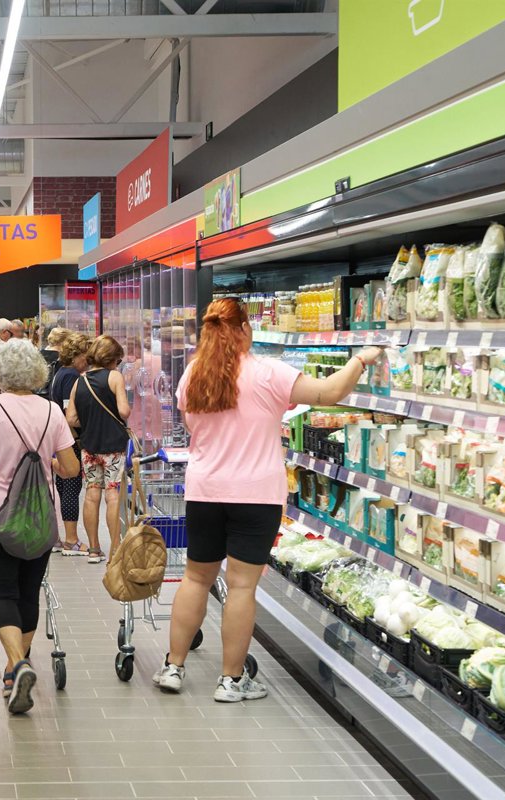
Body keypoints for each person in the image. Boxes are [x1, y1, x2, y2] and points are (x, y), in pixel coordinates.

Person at [154, 297, 382, 703]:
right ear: (244, 329)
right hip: (255, 495)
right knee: (242, 587)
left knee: (196, 578)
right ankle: (230, 680)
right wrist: (362, 359)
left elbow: (192, 426)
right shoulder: (269, 372)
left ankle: (173, 666)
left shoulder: (193, 374)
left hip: (205, 491)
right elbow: (329, 392)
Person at [0, 340, 80, 714]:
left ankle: (17, 664)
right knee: (29, 593)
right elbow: (71, 468)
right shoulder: (51, 410)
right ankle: (15, 670)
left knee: (3, 592)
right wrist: (49, 463)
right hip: (42, 517)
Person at [67, 335, 130, 564]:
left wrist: (90, 421)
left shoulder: (79, 381)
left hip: (89, 447)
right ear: (112, 358)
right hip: (114, 447)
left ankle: (94, 549)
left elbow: (71, 419)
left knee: (92, 494)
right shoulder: (115, 377)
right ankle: (115, 551)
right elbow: (124, 411)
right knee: (112, 495)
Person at [51, 332, 90, 555]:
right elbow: (70, 414)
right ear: (77, 355)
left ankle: (58, 538)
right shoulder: (71, 377)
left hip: (61, 438)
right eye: (85, 355)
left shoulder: (60, 372)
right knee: (71, 487)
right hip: (69, 439)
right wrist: (78, 439)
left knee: (63, 485)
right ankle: (71, 539)